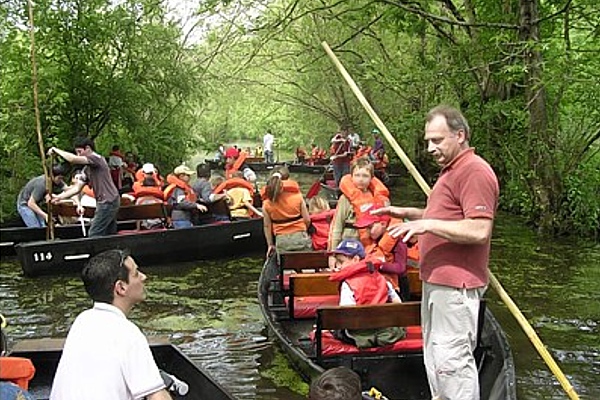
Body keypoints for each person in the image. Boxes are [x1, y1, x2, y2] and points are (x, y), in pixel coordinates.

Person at [373, 105, 499, 400]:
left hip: (456, 287)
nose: (430, 147)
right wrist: (409, 213)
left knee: (451, 363)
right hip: (438, 283)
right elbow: (449, 216)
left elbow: (479, 230)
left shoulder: (475, 171)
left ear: (460, 135)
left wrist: (427, 223)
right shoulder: (452, 171)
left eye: (437, 140)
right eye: (428, 140)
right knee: (437, 360)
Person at [49, 249, 172, 400]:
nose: (143, 277)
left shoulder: (82, 321)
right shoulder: (128, 333)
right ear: (121, 288)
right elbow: (157, 397)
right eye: (136, 273)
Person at [328, 239, 404, 349]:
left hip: (359, 335)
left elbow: (347, 313)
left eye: (341, 261)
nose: (338, 266)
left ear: (355, 259)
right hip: (386, 333)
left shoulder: (348, 284)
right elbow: (398, 303)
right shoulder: (382, 278)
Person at [48, 137, 120, 237]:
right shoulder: (87, 169)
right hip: (104, 202)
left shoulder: (97, 158)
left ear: (87, 148)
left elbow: (73, 159)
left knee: (94, 233)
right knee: (108, 233)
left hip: (109, 201)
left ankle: (98, 252)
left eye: (79, 151)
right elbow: (76, 188)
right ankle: (111, 251)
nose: (78, 155)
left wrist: (56, 150)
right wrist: (59, 197)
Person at [327, 158, 389, 269]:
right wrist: (332, 253)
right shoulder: (345, 199)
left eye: (365, 176)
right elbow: (337, 226)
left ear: (371, 178)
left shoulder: (377, 198)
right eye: (357, 175)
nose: (361, 179)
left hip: (369, 244)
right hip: (348, 241)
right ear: (351, 177)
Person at [354, 207, 410, 301]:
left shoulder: (399, 242)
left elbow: (401, 268)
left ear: (383, 224)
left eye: (370, 227)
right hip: (379, 285)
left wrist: (378, 265)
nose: (367, 231)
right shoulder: (373, 241)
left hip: (399, 287)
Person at [262, 168, 312, 256]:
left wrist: (270, 244)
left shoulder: (266, 204)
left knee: (285, 264)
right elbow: (307, 220)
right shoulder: (298, 197)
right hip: (300, 236)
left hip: (281, 240)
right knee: (306, 264)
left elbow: (267, 226)